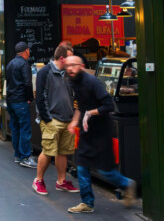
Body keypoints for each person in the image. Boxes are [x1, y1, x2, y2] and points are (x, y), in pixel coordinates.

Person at [62, 55, 137, 213]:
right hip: (86, 130)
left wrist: (91, 113)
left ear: (81, 66)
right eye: (67, 66)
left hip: (101, 131)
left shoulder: (92, 82)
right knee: (81, 165)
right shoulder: (73, 81)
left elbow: (108, 105)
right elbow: (80, 106)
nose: (70, 69)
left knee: (104, 170)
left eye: (73, 65)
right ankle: (87, 203)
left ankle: (126, 184)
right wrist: (74, 122)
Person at [32, 44, 78, 195]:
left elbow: (72, 94)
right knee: (48, 150)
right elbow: (40, 97)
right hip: (52, 119)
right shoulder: (45, 72)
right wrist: (47, 118)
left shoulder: (68, 73)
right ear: (62, 58)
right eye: (70, 57)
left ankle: (61, 181)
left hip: (67, 118)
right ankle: (38, 180)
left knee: (63, 152)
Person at [6, 42, 38, 169]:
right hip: (20, 101)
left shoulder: (10, 64)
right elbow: (27, 83)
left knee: (15, 128)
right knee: (25, 128)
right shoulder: (24, 64)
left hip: (11, 100)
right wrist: (30, 98)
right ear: (26, 51)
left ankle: (18, 155)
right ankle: (25, 157)